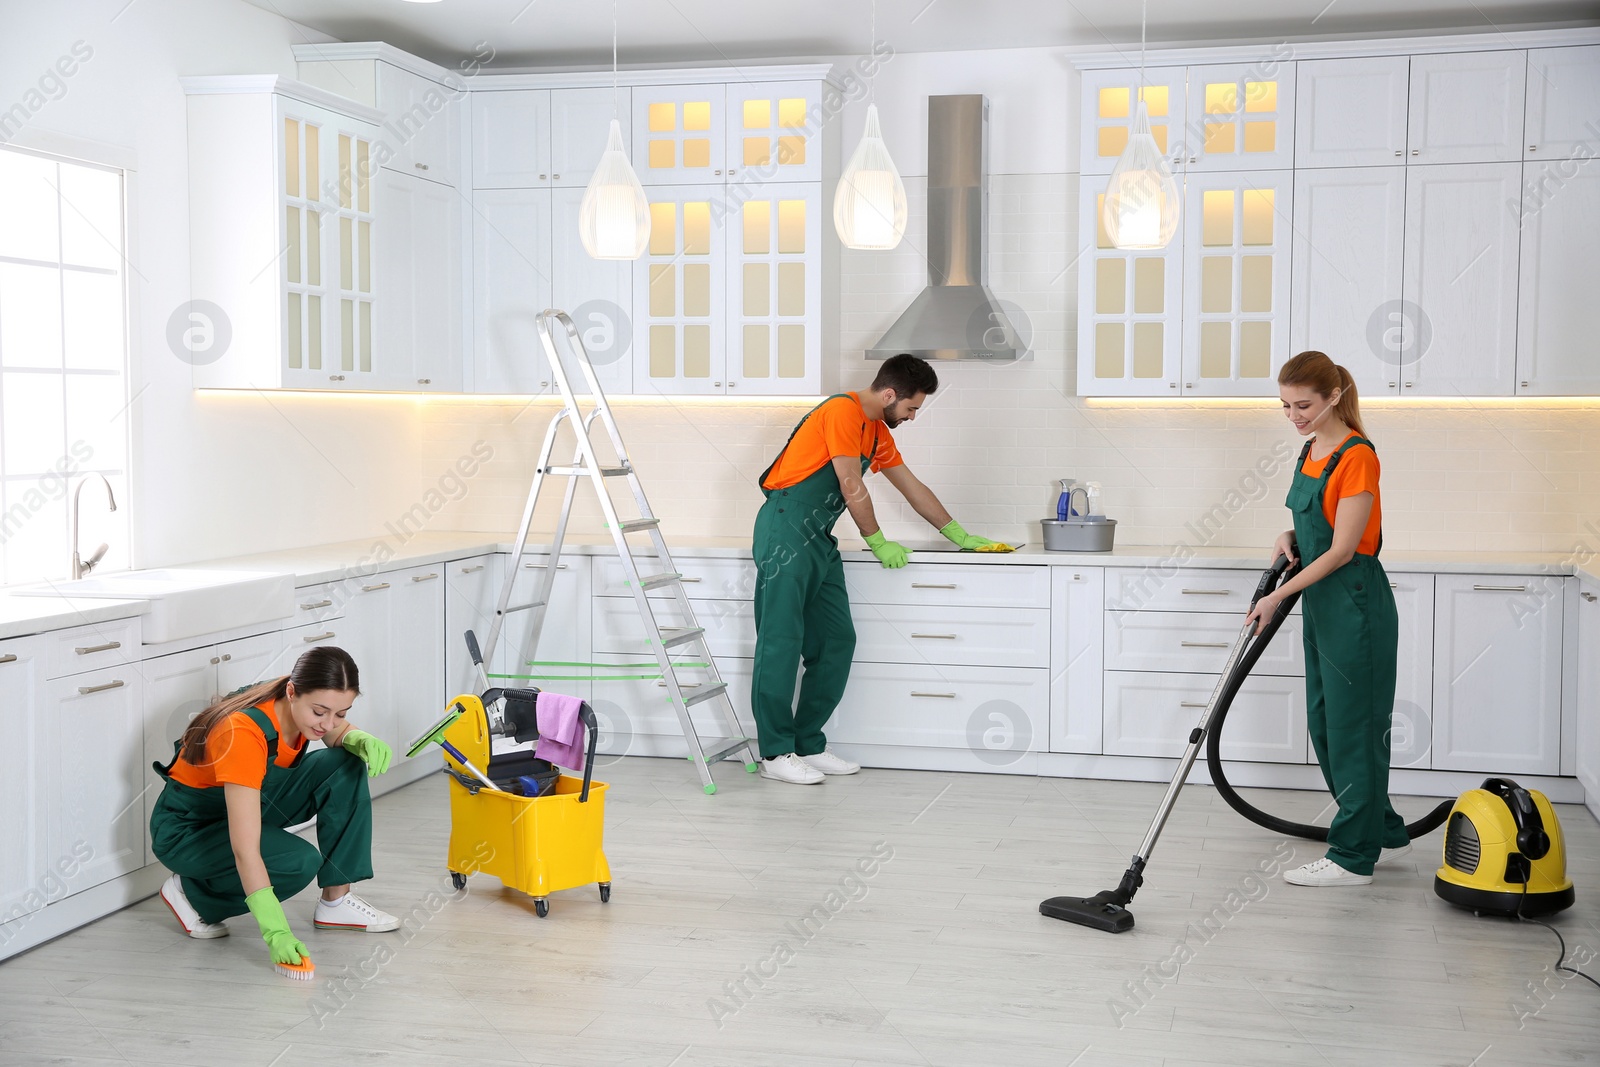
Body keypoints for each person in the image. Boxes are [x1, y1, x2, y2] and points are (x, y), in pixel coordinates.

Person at [751, 354, 998, 785]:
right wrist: (877, 540)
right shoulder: (842, 412)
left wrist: (956, 533)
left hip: (819, 537)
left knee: (837, 640)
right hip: (786, 530)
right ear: (889, 394)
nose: (913, 416)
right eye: (911, 408)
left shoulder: (877, 430)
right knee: (781, 642)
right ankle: (775, 752)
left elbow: (910, 485)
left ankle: (808, 742)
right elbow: (851, 483)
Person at [1245, 351, 1410, 887]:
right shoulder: (1311, 449)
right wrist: (1287, 537)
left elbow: (1341, 550)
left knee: (1353, 729)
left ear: (1334, 396)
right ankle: (1377, 825)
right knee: (1325, 722)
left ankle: (1352, 858)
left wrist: (1274, 599)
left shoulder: (1357, 454)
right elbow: (1316, 529)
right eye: (1285, 405)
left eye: (1304, 405)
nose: (1293, 416)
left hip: (1355, 603)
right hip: (1321, 603)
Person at [149, 646, 399, 969]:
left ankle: (336, 903)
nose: (328, 724)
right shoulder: (244, 733)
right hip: (188, 830)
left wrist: (357, 737)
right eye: (320, 712)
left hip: (248, 800)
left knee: (346, 766)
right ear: (293, 692)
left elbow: (331, 727)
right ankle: (191, 894)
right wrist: (275, 932)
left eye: (342, 713)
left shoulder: (291, 693)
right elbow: (246, 850)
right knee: (298, 862)